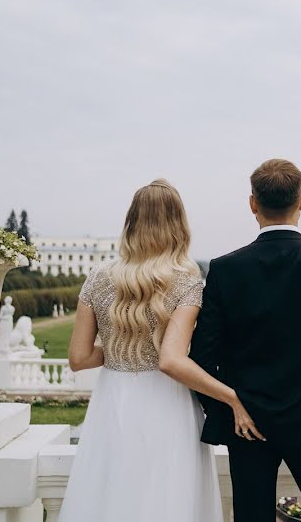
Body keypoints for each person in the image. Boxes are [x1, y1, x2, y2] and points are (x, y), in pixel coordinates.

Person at [190, 159, 301, 522]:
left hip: (248, 424)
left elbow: (202, 355)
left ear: (252, 203)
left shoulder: (225, 269)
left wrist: (230, 409)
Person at [58, 179, 239, 521]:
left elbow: (79, 358)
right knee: (169, 496)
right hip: (167, 400)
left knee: (109, 495)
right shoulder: (187, 279)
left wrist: (118, 349)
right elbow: (173, 358)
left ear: (131, 220)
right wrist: (232, 397)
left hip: (114, 399)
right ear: (178, 223)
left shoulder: (98, 277)